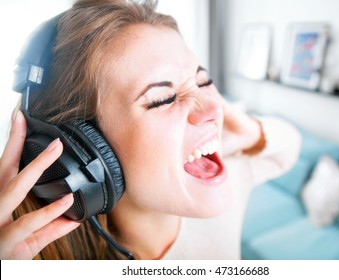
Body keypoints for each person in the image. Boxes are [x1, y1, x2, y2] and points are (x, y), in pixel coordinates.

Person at [0, 0, 301, 260]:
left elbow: (288, 147)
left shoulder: (225, 181)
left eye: (203, 80)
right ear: (84, 151)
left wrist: (247, 131)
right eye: (163, 99)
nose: (213, 109)